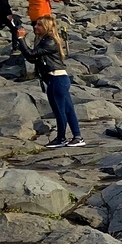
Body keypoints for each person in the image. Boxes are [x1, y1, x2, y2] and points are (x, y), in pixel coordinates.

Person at [16, 15, 83, 148]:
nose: (35, 27)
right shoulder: (45, 40)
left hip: (56, 79)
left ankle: (61, 138)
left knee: (59, 110)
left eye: (39, 25)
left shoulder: (50, 41)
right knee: (69, 110)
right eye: (36, 24)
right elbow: (33, 58)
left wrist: (20, 38)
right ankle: (77, 137)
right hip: (57, 78)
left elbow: (31, 53)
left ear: (46, 27)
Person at [0, 0, 26, 77]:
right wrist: (8, 13)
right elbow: (3, 1)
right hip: (2, 13)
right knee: (16, 26)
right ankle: (15, 48)